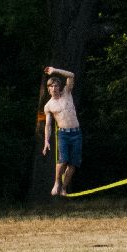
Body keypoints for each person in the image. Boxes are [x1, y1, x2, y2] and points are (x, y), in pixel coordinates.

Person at [42, 66, 81, 197]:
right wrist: (46, 141)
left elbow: (71, 75)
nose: (54, 88)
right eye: (51, 86)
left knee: (73, 164)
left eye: (56, 86)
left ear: (60, 87)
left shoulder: (67, 93)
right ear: (48, 89)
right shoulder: (48, 106)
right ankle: (57, 183)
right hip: (63, 134)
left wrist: (55, 70)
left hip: (76, 133)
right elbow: (48, 125)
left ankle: (64, 188)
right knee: (63, 160)